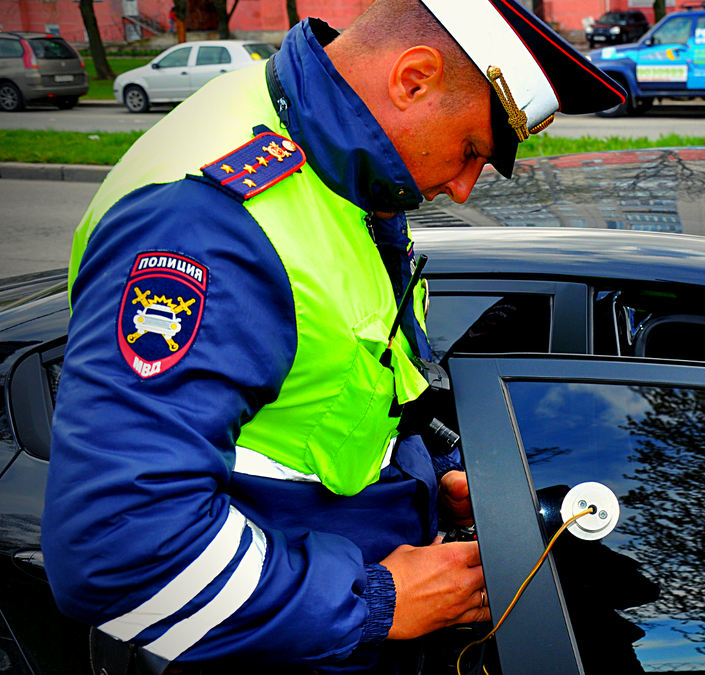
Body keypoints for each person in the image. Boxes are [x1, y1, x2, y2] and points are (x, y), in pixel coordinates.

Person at [41, 0, 624, 672]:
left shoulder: (328, 156)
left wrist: (429, 479)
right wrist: (376, 599)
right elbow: (115, 548)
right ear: (413, 78)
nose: (464, 189)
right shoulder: (209, 223)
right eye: (471, 151)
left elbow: (330, 390)